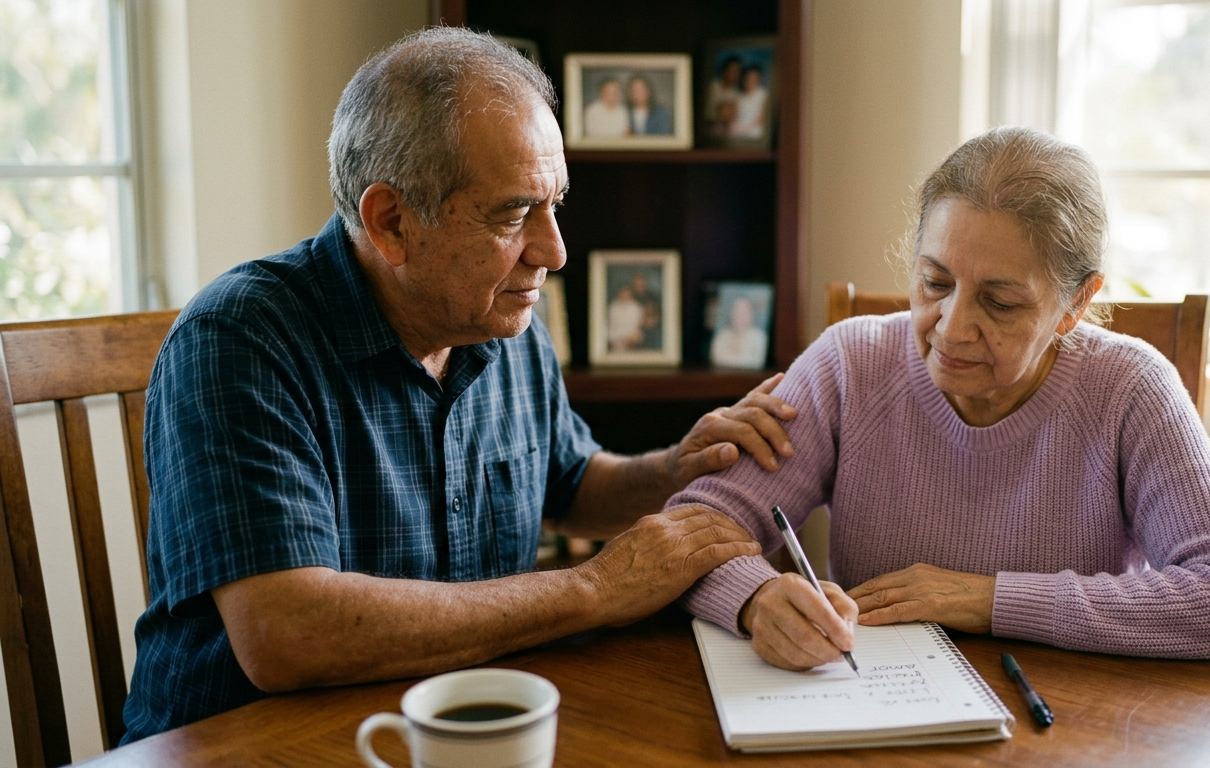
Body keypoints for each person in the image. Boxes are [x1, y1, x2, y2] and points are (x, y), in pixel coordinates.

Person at [123, 28, 800, 741]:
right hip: (251, 746)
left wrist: (675, 469)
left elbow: (567, 485)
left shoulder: (501, 320)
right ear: (390, 222)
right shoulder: (239, 339)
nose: (554, 251)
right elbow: (287, 634)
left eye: (554, 204)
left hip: (461, 728)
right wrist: (595, 588)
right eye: (513, 214)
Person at [674, 126, 1210, 671]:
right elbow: (692, 530)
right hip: (874, 707)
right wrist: (755, 598)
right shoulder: (850, 363)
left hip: (1070, 719)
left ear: (1076, 303)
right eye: (934, 282)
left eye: (999, 302)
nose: (951, 327)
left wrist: (988, 599)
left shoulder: (1130, 388)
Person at [711, 296, 768, 369]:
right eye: (736, 311)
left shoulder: (760, 338)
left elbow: (756, 362)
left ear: (751, 315)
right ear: (730, 314)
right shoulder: (721, 336)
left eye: (743, 312)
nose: (739, 316)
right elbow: (716, 360)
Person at [706, 56, 742, 140]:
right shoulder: (711, 87)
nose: (734, 74)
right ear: (725, 70)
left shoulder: (736, 94)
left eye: (737, 71)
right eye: (732, 70)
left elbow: (733, 118)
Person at [729, 65, 769, 140]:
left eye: (755, 78)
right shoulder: (738, 97)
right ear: (744, 79)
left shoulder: (763, 95)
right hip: (737, 127)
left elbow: (761, 119)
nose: (751, 81)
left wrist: (743, 129)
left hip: (755, 130)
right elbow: (733, 115)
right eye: (749, 77)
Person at [607, 283, 645, 350]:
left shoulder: (636, 307)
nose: (624, 295)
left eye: (627, 293)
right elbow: (612, 323)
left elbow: (635, 325)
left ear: (630, 294)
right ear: (619, 293)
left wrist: (625, 338)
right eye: (622, 293)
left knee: (636, 337)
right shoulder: (613, 307)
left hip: (630, 334)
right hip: (615, 334)